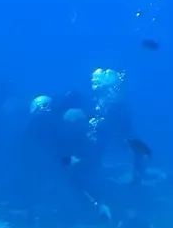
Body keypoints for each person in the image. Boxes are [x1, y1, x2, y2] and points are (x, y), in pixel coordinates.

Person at [27, 67, 145, 218]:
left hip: (87, 146)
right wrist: (96, 203)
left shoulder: (93, 118)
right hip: (80, 152)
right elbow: (68, 171)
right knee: (80, 169)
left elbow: (132, 141)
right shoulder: (65, 137)